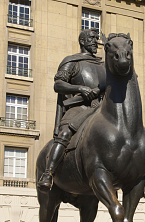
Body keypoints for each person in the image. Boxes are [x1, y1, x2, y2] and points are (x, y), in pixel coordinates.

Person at [37, 28, 106, 190]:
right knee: (66, 133)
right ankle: (48, 173)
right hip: (79, 107)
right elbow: (58, 84)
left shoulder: (104, 65)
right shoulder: (72, 61)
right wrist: (81, 88)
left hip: (101, 108)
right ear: (82, 41)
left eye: (97, 39)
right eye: (91, 39)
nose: (95, 42)